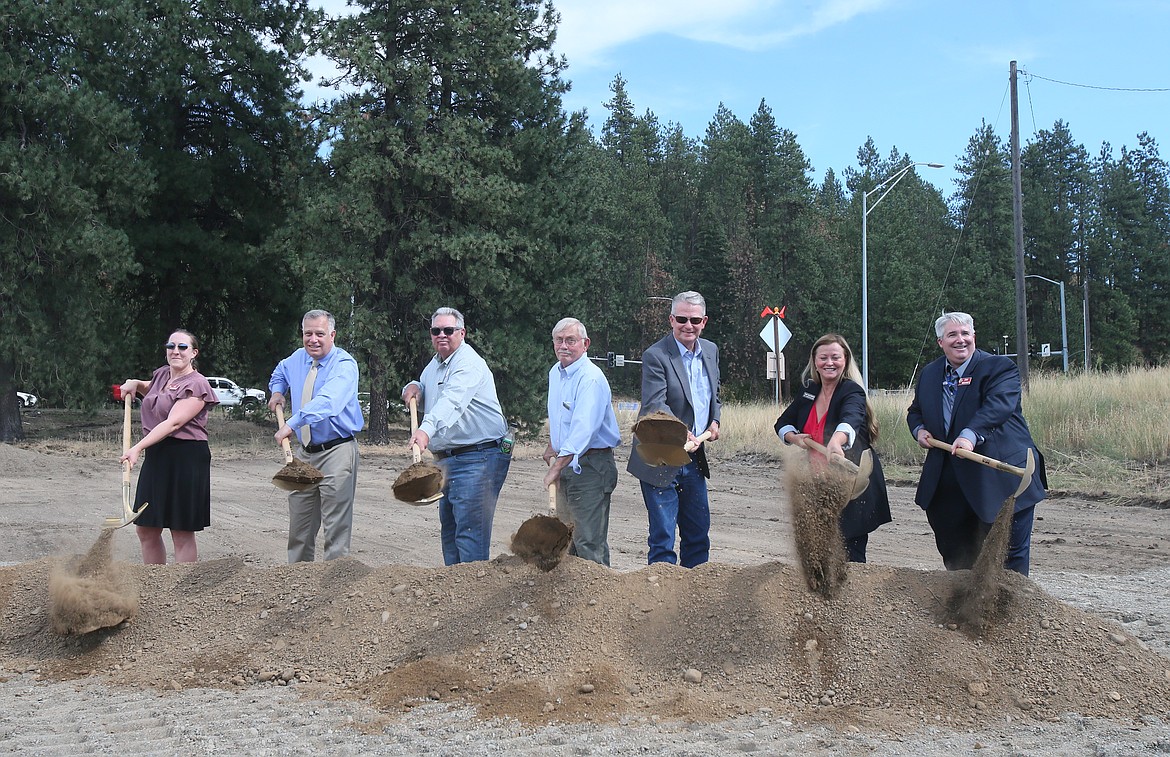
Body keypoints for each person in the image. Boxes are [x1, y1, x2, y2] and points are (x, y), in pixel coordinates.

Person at [907, 311, 1047, 575]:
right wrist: (919, 429)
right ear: (941, 342)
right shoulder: (930, 374)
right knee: (958, 557)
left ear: (973, 337)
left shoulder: (998, 368)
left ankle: (1011, 610)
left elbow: (997, 407)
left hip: (1001, 477)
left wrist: (970, 435)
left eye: (965, 334)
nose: (960, 340)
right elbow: (915, 411)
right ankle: (964, 607)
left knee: (1008, 558)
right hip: (948, 483)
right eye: (952, 335)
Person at [402, 307, 511, 565]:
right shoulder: (436, 363)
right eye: (436, 330)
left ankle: (475, 597)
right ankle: (455, 597)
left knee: (470, 534)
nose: (442, 335)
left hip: (478, 457)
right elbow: (425, 386)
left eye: (448, 330)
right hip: (448, 460)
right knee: (450, 533)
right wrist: (413, 387)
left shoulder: (468, 363)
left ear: (462, 333)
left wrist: (425, 431)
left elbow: (452, 402)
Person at [774, 334, 891, 562]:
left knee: (849, 553)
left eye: (835, 357)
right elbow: (782, 423)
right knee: (819, 551)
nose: (829, 363)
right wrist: (794, 438)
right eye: (823, 357)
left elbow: (852, 418)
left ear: (845, 360)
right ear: (814, 362)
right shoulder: (809, 391)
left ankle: (851, 597)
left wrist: (836, 440)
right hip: (817, 483)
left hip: (851, 481)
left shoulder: (852, 391)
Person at [627, 291, 721, 567]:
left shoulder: (711, 351)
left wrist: (715, 421)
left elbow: (714, 395)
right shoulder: (656, 355)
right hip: (660, 455)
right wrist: (684, 432)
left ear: (704, 321)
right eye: (681, 319)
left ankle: (694, 599)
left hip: (693, 459)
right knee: (663, 537)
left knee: (698, 535)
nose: (687, 325)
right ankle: (659, 600)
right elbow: (655, 405)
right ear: (671, 319)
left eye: (694, 320)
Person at [268, 309, 363, 563]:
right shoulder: (297, 359)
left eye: (320, 334)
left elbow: (328, 402)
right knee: (299, 526)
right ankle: (297, 583)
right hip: (304, 453)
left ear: (332, 335)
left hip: (338, 452)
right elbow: (279, 372)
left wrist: (292, 422)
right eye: (308, 334)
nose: (313, 339)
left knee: (336, 529)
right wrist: (278, 392)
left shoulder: (344, 365)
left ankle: (333, 587)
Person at [119, 329, 219, 564]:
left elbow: (173, 422)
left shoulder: (197, 384)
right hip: (158, 454)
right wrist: (135, 383)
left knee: (181, 529)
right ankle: (156, 585)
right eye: (170, 346)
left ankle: (183, 590)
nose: (175, 351)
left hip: (186, 456)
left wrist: (137, 448)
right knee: (146, 527)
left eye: (182, 347)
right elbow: (152, 389)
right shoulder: (163, 375)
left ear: (193, 353)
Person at [542, 318, 622, 566]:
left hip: (591, 466)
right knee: (569, 540)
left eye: (571, 340)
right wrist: (553, 444)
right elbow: (562, 416)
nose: (564, 346)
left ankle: (598, 600)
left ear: (585, 344)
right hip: (569, 461)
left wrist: (556, 467)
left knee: (588, 542)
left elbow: (583, 430)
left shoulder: (591, 379)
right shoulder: (556, 372)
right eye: (559, 340)